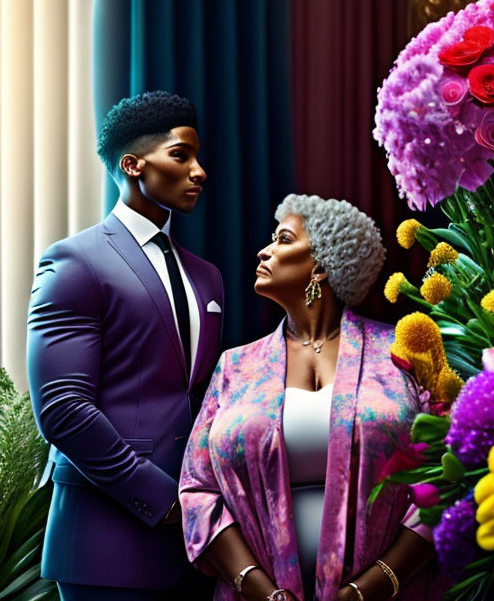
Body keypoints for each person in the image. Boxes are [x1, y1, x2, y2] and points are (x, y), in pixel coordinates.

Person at [180, 194, 445, 601]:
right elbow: (198, 491)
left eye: (284, 239)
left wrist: (370, 588)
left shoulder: (402, 351)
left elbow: (449, 477)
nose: (264, 250)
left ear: (321, 265)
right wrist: (260, 589)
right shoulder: (235, 367)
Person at [27, 91, 224, 600]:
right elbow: (63, 409)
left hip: (197, 548)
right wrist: (165, 501)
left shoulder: (207, 278)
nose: (199, 171)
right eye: (181, 156)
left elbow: (197, 399)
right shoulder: (74, 262)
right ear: (133, 165)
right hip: (105, 543)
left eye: (199, 157)